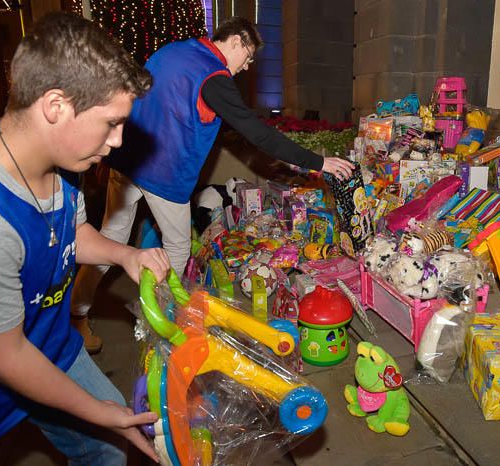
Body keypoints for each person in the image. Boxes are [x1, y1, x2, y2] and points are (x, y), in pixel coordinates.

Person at [71, 16, 355, 352]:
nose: (247, 67)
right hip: (164, 175)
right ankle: (157, 325)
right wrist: (319, 161)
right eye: (248, 57)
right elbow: (257, 131)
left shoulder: (173, 51)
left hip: (126, 161)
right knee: (177, 248)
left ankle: (77, 315)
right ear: (235, 40)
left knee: (108, 242)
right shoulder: (214, 76)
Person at [0, 12, 170, 465]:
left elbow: (68, 233)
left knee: (108, 452)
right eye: (111, 122)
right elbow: (3, 356)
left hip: (52, 345)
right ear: (55, 106)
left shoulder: (65, 161)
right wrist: (93, 409)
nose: (118, 139)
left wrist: (125, 254)